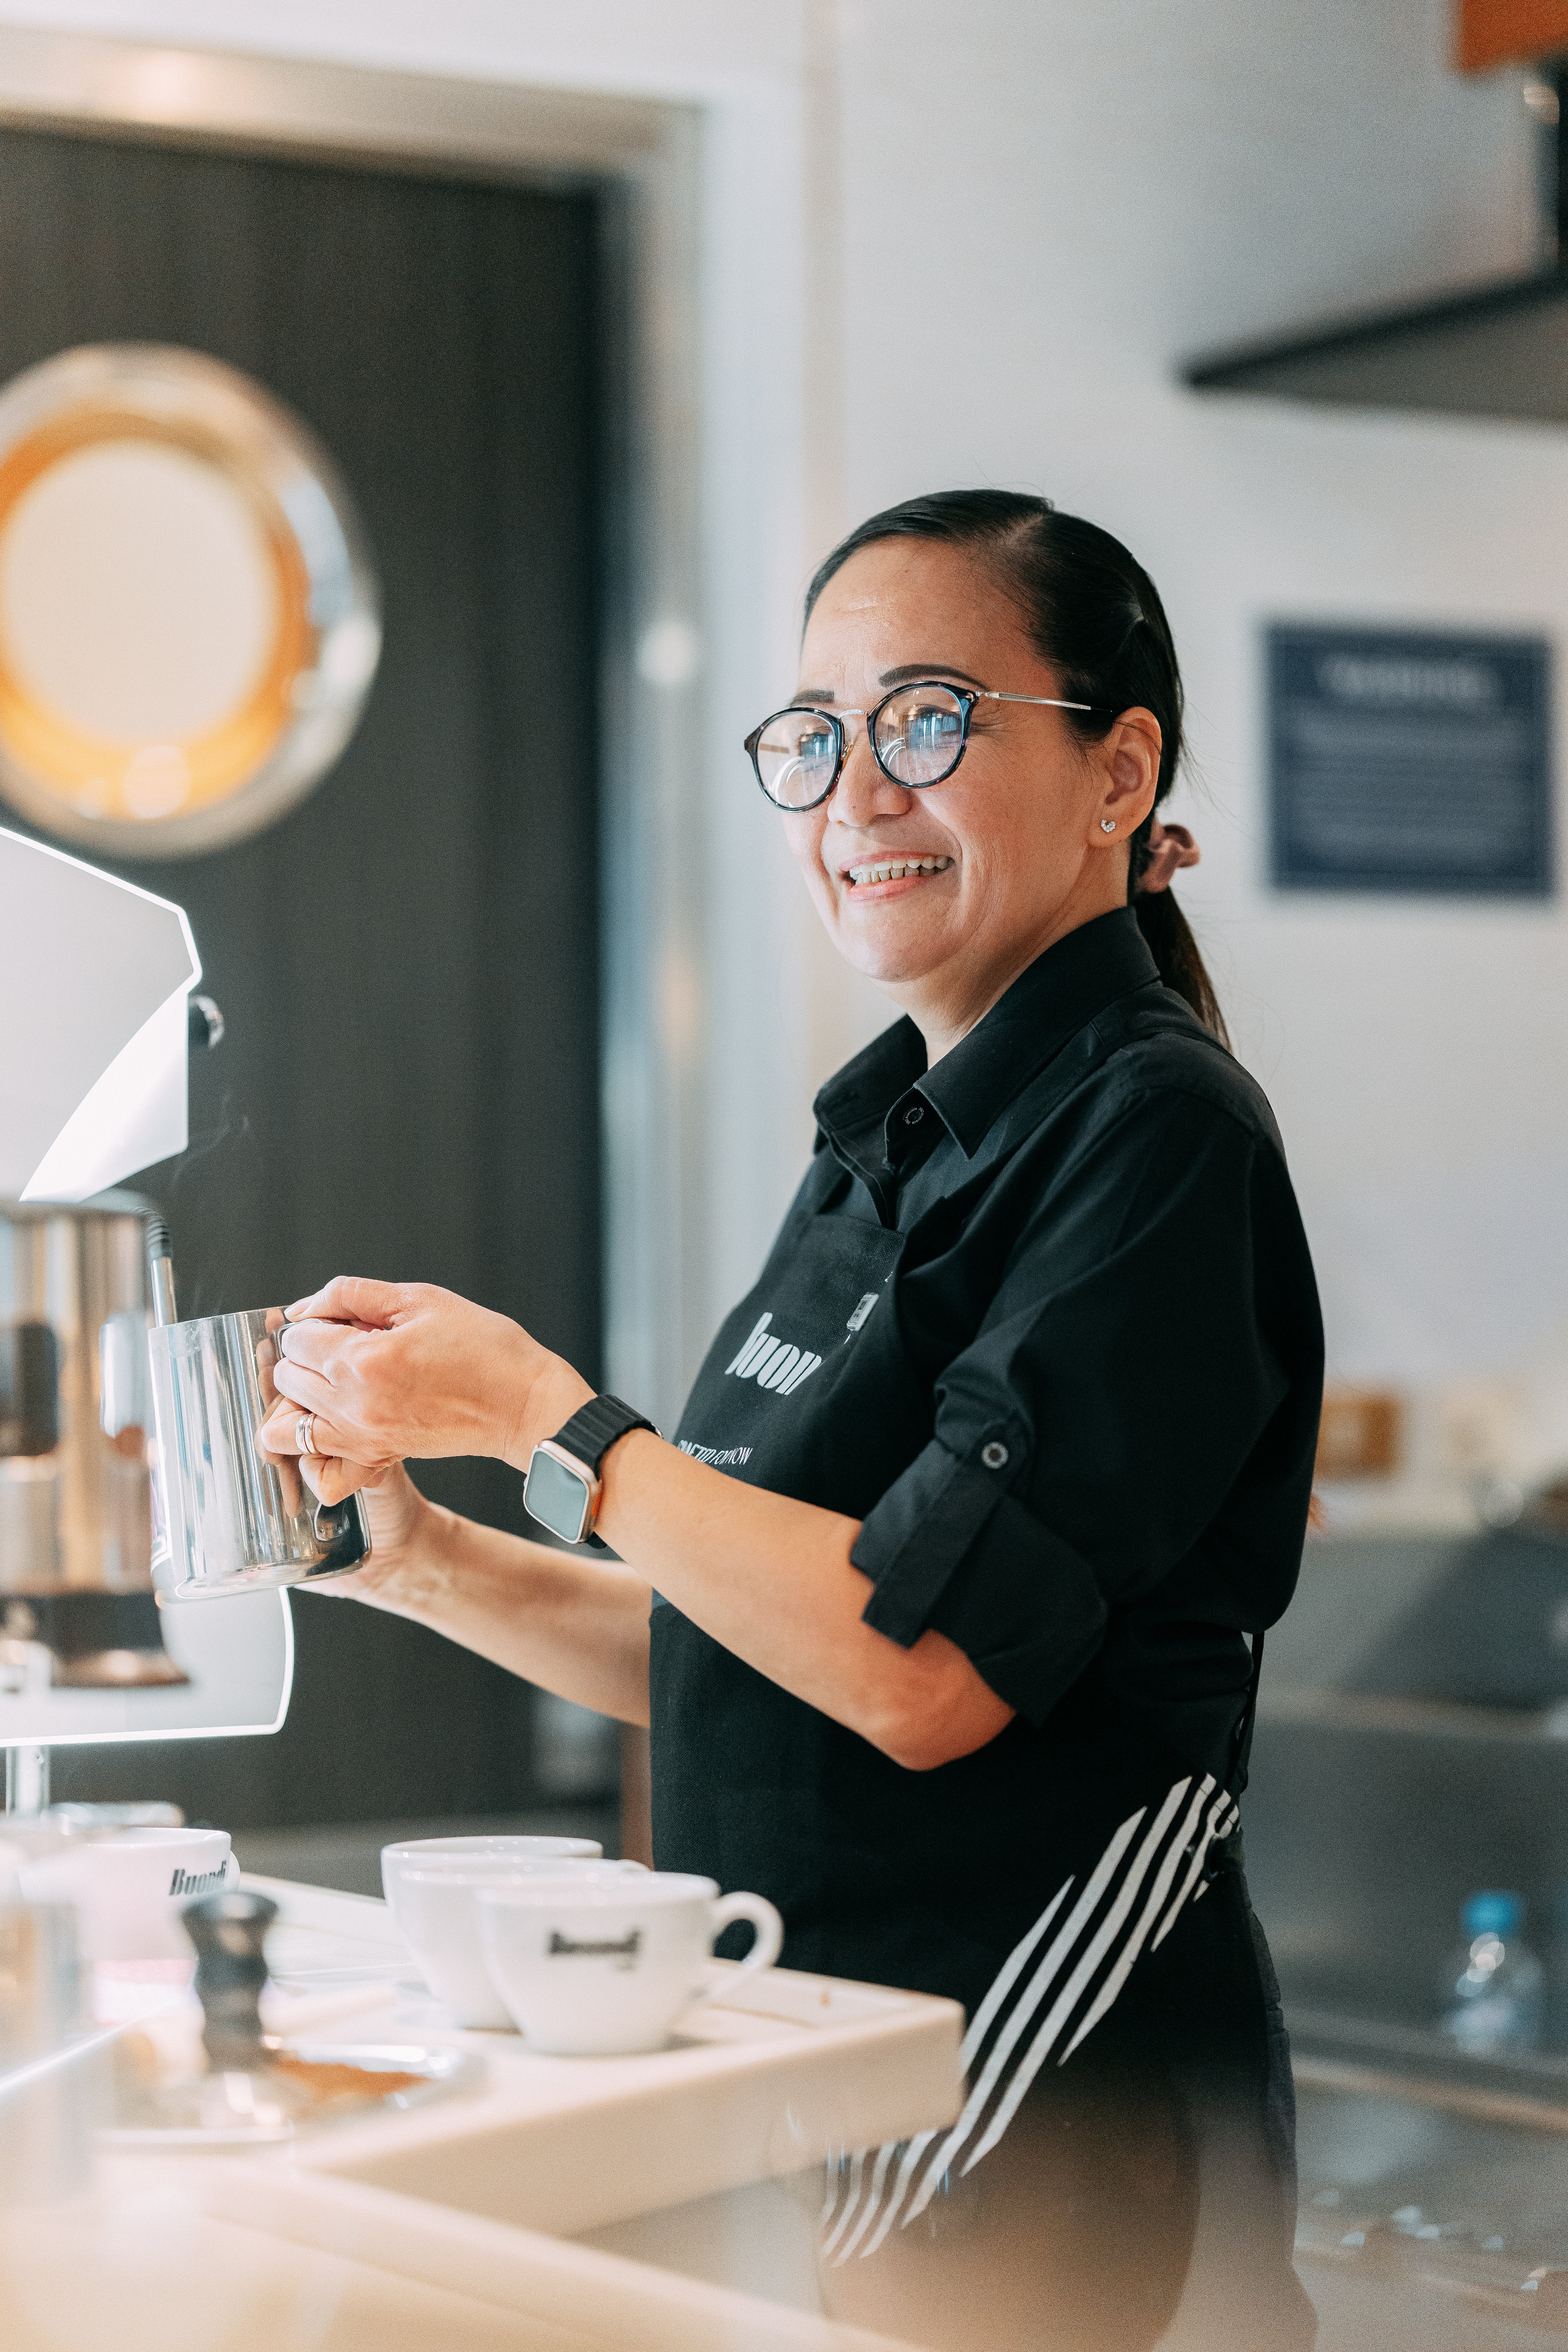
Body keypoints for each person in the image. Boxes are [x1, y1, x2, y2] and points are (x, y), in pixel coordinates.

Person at [261, 489, 1322, 2351]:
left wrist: (547, 1420)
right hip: (859, 2077)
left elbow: (922, 1676)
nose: (857, 792)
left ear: (1114, 771)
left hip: (1046, 2090)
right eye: (815, 737)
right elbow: (754, 1643)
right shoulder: (887, 1147)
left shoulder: (1156, 1133)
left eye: (927, 719)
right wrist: (414, 1556)